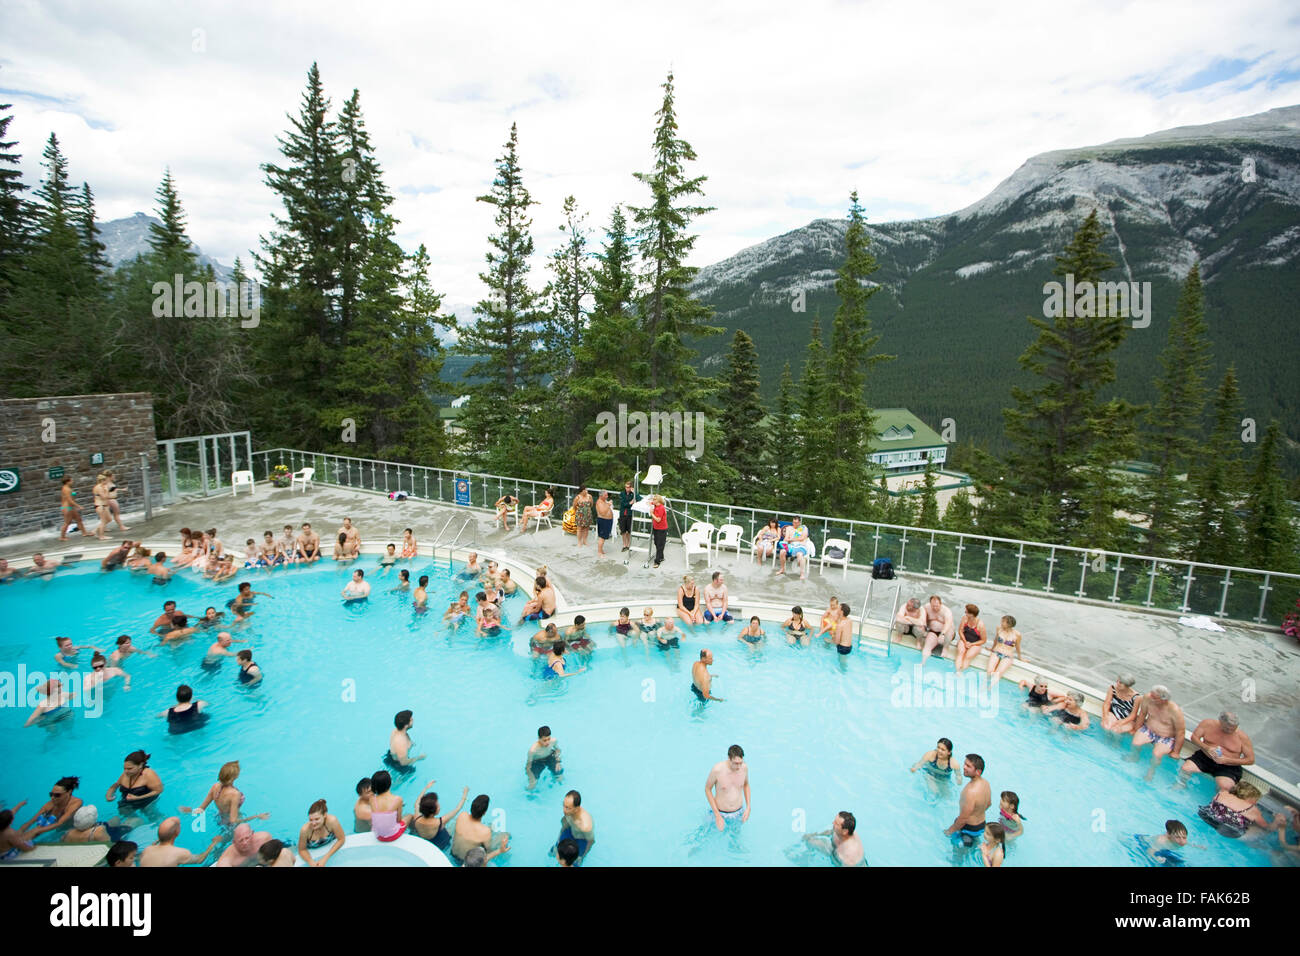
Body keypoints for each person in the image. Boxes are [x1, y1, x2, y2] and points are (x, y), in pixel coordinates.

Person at [1180, 712, 1255, 791]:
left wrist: (1227, 760)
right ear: (1220, 722)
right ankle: (1181, 786)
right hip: (1204, 758)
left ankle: (1217, 800)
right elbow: (1194, 737)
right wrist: (1207, 748)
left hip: (1228, 766)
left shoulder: (1242, 737)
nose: (1230, 731)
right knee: (1186, 768)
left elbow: (1250, 760)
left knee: (1225, 786)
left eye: (1233, 729)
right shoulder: (1208, 724)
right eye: (1227, 728)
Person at [179, 760, 266, 828]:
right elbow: (233, 820)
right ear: (235, 777)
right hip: (232, 825)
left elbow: (201, 809)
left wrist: (190, 811)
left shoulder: (215, 786)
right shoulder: (235, 794)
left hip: (219, 818)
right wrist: (256, 816)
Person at [1129, 684, 1185, 781]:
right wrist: (1135, 729)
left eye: (1154, 697)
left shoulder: (1174, 710)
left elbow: (1180, 732)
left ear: (1163, 699)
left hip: (1166, 737)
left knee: (1157, 754)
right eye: (1151, 694)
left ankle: (1151, 771)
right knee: (1136, 743)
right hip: (1149, 730)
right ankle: (1135, 757)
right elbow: (1142, 714)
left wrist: (1176, 752)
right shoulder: (1147, 698)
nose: (1151, 698)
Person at [1197, 782, 1277, 839]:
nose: (1255, 802)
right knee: (1259, 830)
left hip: (1205, 816)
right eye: (1255, 799)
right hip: (1228, 830)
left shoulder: (1222, 793)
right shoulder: (1252, 809)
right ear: (1249, 797)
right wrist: (1277, 822)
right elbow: (1267, 827)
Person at [406, 782, 468, 854]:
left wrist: (426, 788)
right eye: (438, 806)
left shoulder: (417, 817)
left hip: (427, 841)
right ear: (433, 811)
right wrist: (465, 794)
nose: (440, 807)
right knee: (455, 821)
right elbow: (458, 808)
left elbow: (417, 803)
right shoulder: (440, 822)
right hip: (441, 844)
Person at [944, 754, 991, 848]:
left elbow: (963, 819)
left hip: (967, 828)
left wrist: (949, 831)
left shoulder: (970, 791)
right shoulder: (985, 783)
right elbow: (989, 804)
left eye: (968, 766)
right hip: (981, 825)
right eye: (965, 764)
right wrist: (976, 813)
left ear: (978, 772)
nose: (964, 767)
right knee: (973, 846)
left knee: (958, 855)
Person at [451, 794, 511, 863]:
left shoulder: (462, 815)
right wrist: (500, 850)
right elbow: (488, 851)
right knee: (506, 835)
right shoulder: (485, 831)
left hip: (453, 855)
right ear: (484, 813)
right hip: (468, 862)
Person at [705, 745, 750, 831]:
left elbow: (746, 785)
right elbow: (707, 789)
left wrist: (748, 807)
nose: (739, 767)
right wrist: (717, 815)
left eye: (741, 762)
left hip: (738, 813)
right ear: (729, 758)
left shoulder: (744, 768)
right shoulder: (717, 770)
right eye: (736, 763)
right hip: (719, 813)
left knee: (735, 841)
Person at [296, 799, 347, 866]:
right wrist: (310, 861)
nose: (313, 823)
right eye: (310, 820)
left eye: (317, 819)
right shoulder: (305, 830)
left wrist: (325, 858)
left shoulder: (332, 821)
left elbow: (341, 839)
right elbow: (302, 850)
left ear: (325, 815)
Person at [552, 790, 596, 865]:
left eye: (567, 808)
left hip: (581, 840)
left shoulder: (585, 825)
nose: (564, 810)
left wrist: (582, 856)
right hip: (570, 831)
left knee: (574, 862)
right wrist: (558, 841)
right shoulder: (569, 811)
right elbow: (564, 824)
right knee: (556, 852)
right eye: (563, 805)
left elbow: (591, 841)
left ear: (576, 809)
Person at [918, 595, 956, 667]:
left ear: (940, 604)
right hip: (933, 631)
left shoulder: (946, 611)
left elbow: (948, 623)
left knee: (949, 631)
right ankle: (923, 663)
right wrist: (923, 626)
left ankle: (945, 648)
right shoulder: (927, 607)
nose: (935, 608)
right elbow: (921, 617)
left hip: (946, 632)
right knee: (927, 647)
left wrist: (942, 634)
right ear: (930, 604)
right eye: (933, 606)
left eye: (937, 606)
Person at [369, 771, 406, 841]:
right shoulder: (398, 799)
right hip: (392, 836)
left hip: (378, 836)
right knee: (408, 816)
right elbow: (399, 820)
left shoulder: (372, 800)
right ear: (390, 783)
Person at [954, 604, 987, 672]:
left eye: (966, 612)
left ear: (971, 614)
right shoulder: (965, 618)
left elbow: (983, 640)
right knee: (961, 652)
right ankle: (957, 671)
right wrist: (965, 641)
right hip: (964, 640)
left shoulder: (980, 625)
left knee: (968, 656)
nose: (965, 612)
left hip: (975, 643)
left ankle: (961, 671)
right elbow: (960, 630)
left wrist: (971, 644)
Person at [618, 480, 638, 552]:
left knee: (629, 531)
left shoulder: (632, 494)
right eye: (626, 487)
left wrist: (635, 493)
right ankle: (624, 545)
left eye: (628, 487)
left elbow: (639, 499)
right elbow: (623, 504)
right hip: (623, 514)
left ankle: (629, 545)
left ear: (631, 487)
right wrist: (630, 503)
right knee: (623, 531)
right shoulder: (622, 494)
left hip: (629, 514)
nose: (627, 488)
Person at [650, 494, 668, 567]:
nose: (653, 501)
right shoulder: (655, 505)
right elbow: (649, 503)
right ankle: (661, 557)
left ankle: (657, 562)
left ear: (658, 501)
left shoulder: (661, 508)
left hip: (662, 528)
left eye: (654, 499)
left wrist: (651, 513)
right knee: (657, 543)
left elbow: (658, 519)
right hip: (656, 527)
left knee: (660, 544)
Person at [594, 491, 614, 556]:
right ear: (601, 496)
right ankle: (599, 552)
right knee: (602, 537)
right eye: (605, 495)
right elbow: (602, 512)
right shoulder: (599, 502)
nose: (607, 496)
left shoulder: (604, 501)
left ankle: (601, 550)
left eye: (607, 495)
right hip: (603, 521)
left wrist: (608, 503)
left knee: (604, 537)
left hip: (607, 520)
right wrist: (608, 505)